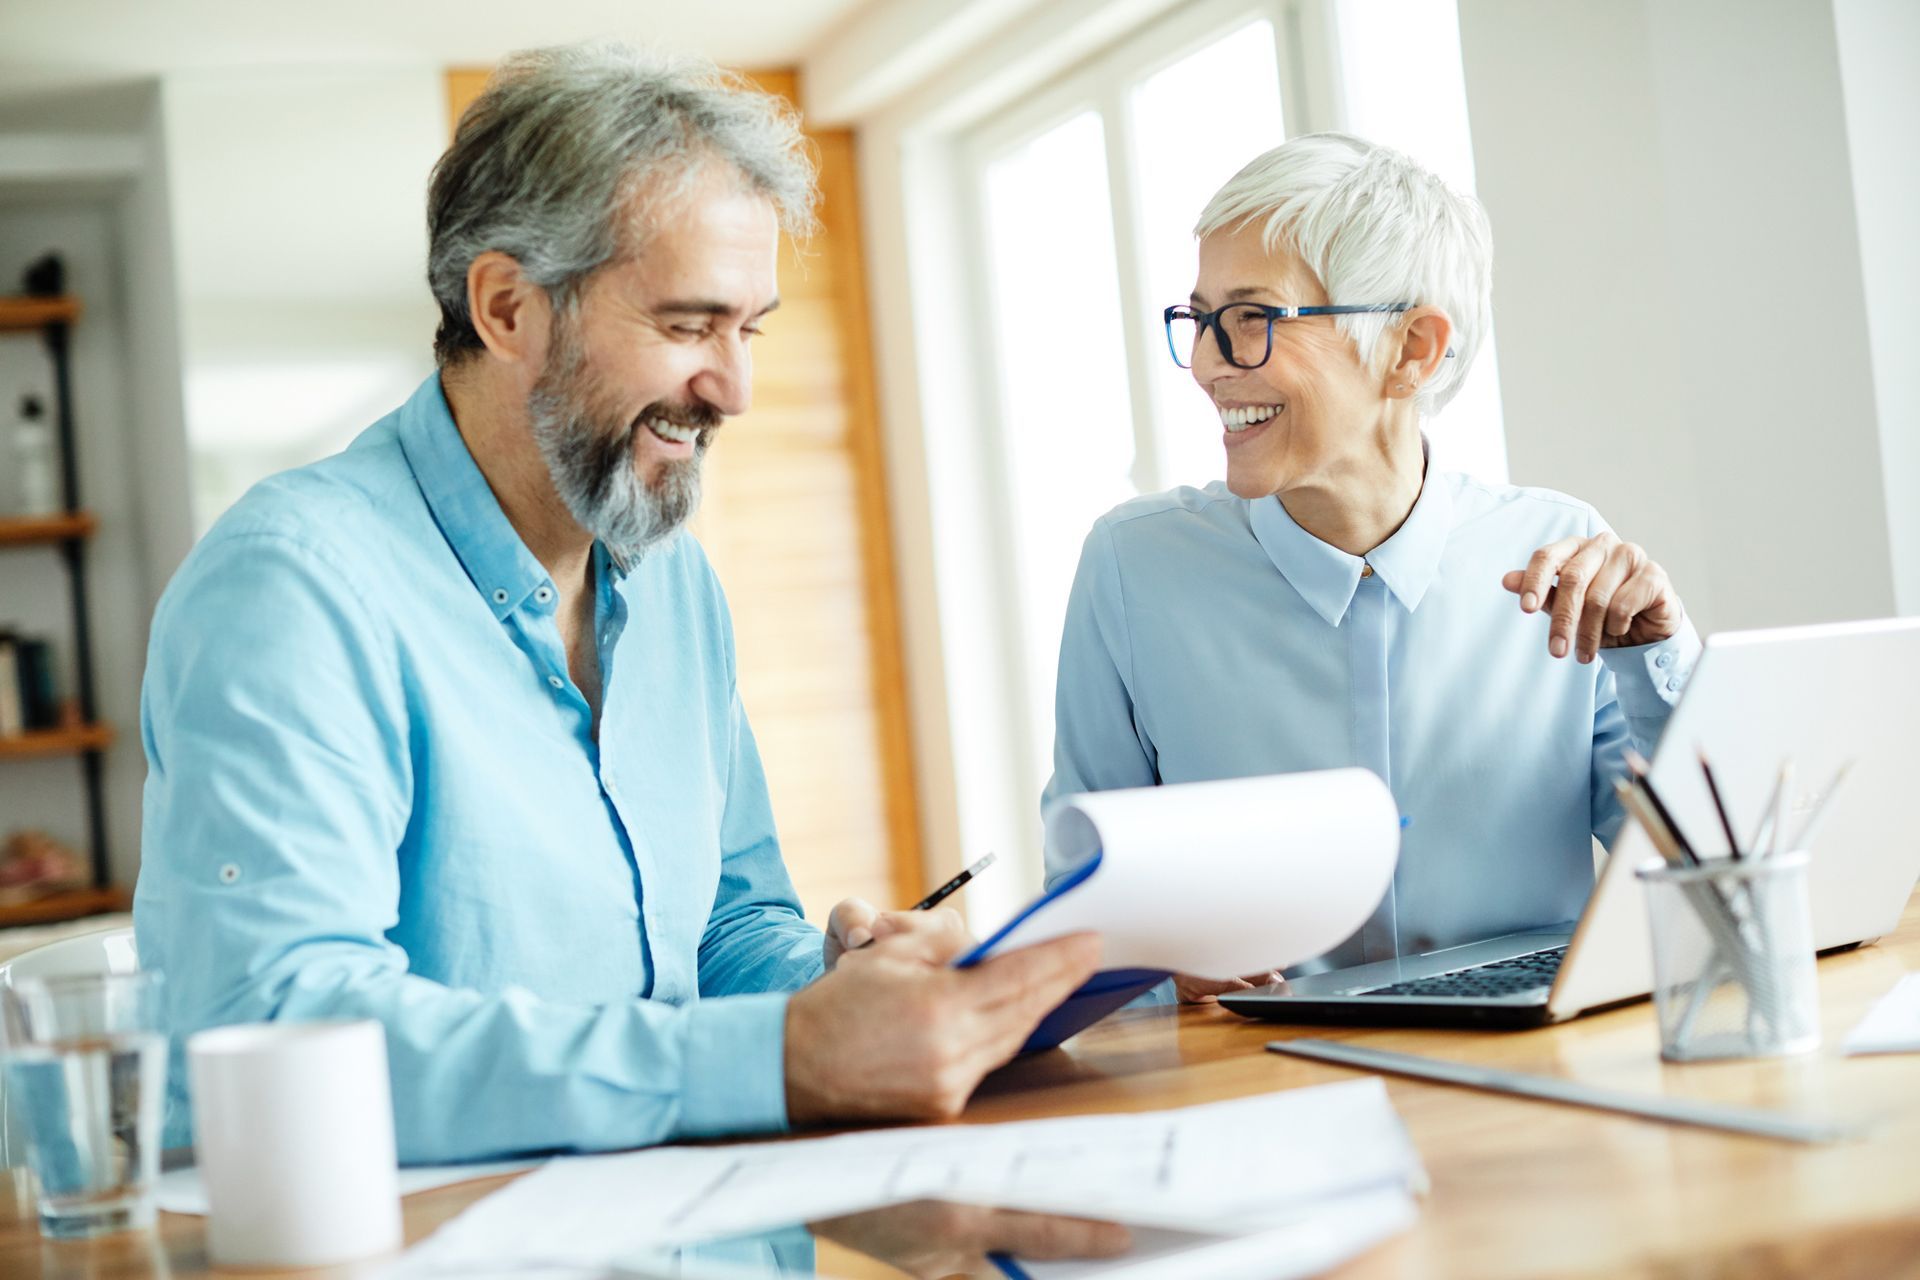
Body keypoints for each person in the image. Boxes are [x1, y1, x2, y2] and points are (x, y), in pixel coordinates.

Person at [134, 44, 1098, 1162]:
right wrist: (780, 1055)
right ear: (506, 308)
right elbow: (280, 1026)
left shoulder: (673, 579)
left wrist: (837, 989)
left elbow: (725, 929)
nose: (733, 388)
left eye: (752, 329)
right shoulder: (292, 586)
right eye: (690, 325)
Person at [1046, 133, 1698, 1002]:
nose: (1206, 364)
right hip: (1261, 1079)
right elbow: (1080, 918)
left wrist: (1656, 656)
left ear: (1414, 350)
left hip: (1537, 1076)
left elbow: (1706, 873)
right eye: (1201, 321)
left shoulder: (1560, 557)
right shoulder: (1134, 569)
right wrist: (1157, 966)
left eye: (1252, 319)